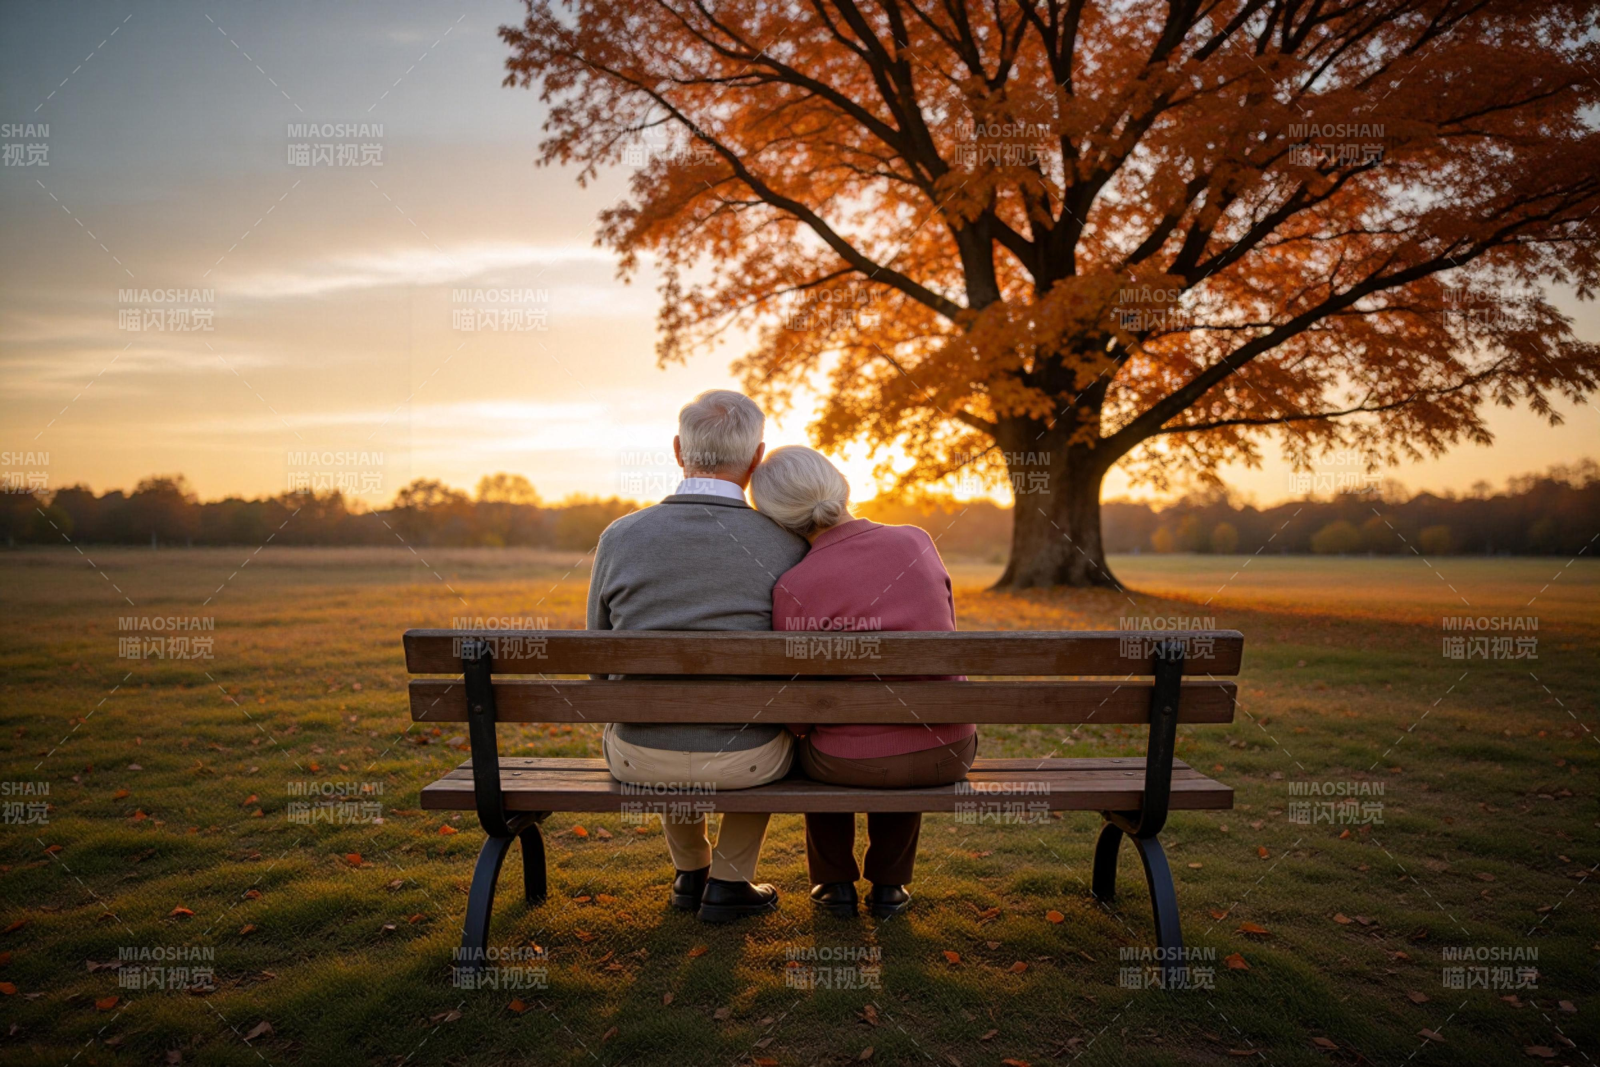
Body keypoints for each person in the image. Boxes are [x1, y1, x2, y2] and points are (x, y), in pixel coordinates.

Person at [588, 390, 808, 922]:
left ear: (677, 449)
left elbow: (598, 662)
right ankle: (729, 882)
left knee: (662, 714)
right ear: (757, 459)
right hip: (747, 759)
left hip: (640, 755)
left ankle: (691, 871)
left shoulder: (619, 537)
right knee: (763, 729)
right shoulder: (786, 543)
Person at [750, 446, 976, 919]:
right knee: (910, 726)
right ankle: (890, 887)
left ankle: (834, 883)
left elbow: (797, 709)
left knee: (817, 743)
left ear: (777, 519)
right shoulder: (917, 541)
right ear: (839, 483)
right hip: (948, 750)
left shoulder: (794, 584)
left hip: (847, 762)